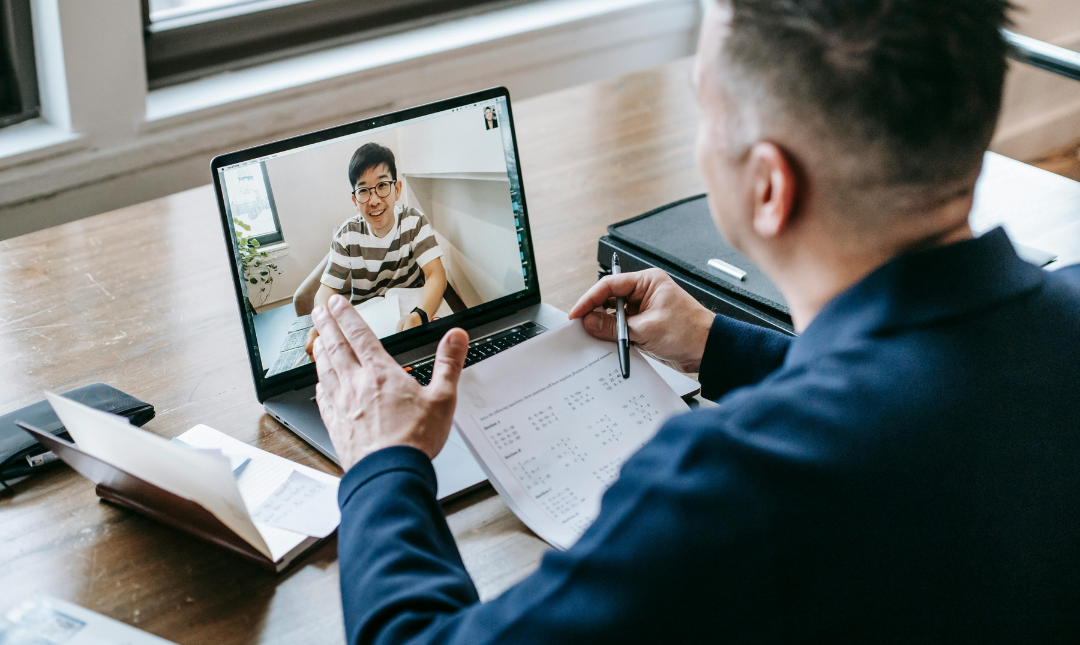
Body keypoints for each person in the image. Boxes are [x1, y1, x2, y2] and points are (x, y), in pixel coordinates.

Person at [310, 0, 1080, 642]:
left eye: (703, 103)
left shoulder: (733, 487)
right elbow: (932, 388)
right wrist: (720, 346)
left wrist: (382, 460)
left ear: (769, 186)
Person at [305, 143, 446, 356]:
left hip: (412, 318)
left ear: (397, 189)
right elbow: (327, 289)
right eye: (363, 190)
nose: (374, 200)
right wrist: (323, 322)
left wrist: (420, 315)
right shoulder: (346, 235)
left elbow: (436, 274)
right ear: (355, 200)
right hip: (367, 329)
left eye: (382, 186)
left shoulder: (414, 220)